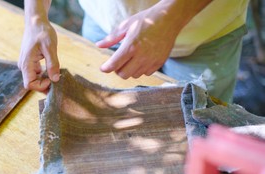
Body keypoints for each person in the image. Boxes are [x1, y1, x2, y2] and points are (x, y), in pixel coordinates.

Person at [18, 0, 249, 103]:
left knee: (198, 133)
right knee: (97, 111)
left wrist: (170, 17)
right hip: (105, 19)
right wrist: (35, 17)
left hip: (203, 31)